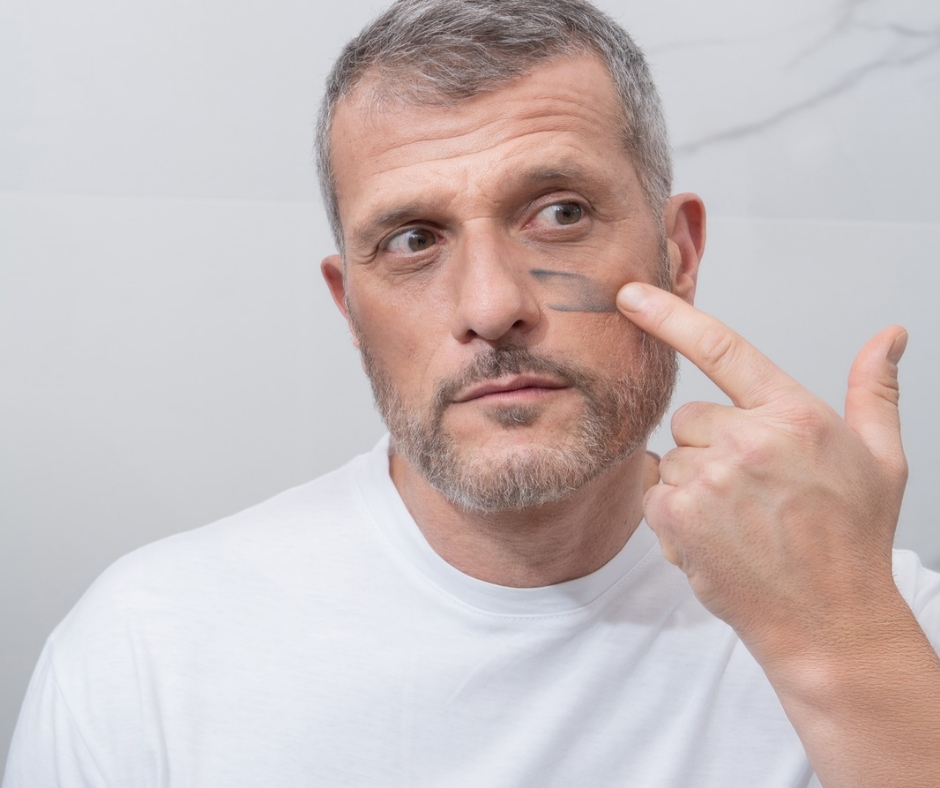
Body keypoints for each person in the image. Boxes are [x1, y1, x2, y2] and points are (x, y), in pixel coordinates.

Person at [5, 0, 940, 785]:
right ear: (349, 304)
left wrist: (845, 644)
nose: (493, 307)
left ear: (679, 255)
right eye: (413, 241)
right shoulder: (147, 651)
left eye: (560, 213)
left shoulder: (885, 623)